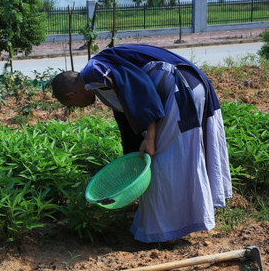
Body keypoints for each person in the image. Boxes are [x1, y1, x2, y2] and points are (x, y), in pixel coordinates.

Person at [51, 44, 232, 243]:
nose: (77, 109)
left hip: (179, 89)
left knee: (164, 162)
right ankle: (178, 223)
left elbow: (139, 89)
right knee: (173, 158)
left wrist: (151, 137)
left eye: (71, 107)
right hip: (188, 84)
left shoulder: (95, 71)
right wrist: (131, 170)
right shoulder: (99, 78)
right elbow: (128, 115)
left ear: (71, 95)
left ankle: (162, 233)